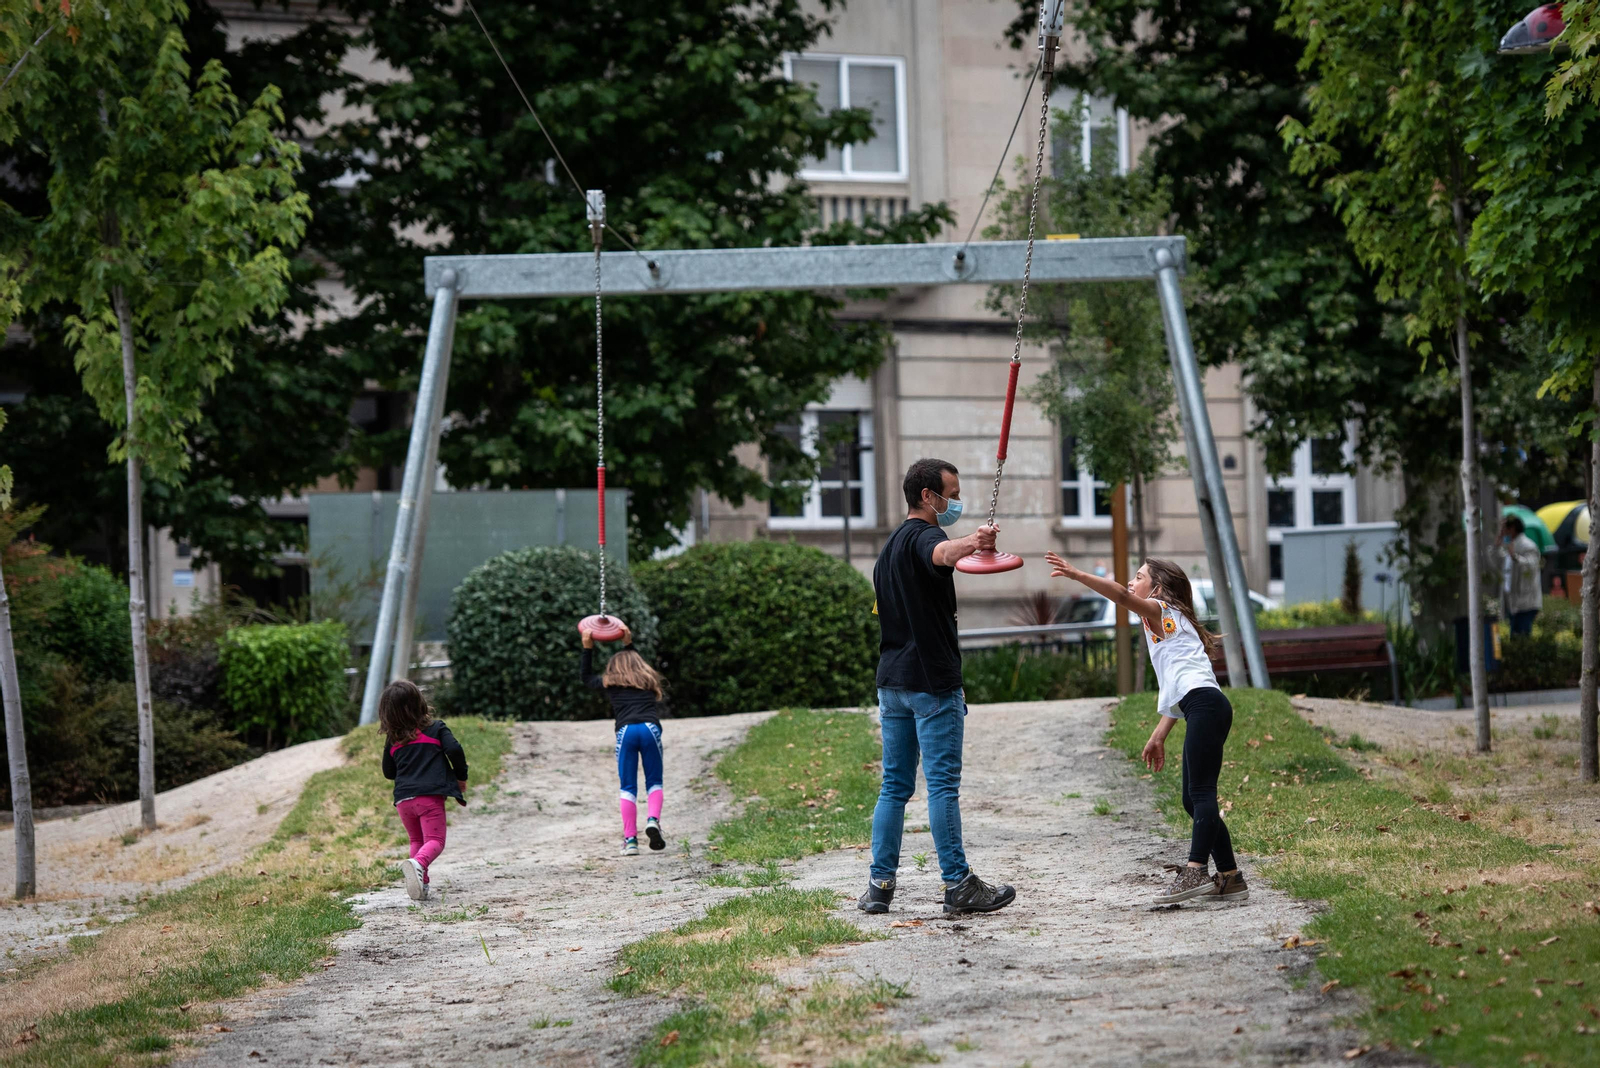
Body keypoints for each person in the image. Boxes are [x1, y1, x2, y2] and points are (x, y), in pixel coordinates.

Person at [859, 457, 1016, 917]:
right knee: (943, 787)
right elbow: (943, 554)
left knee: (894, 787)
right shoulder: (925, 537)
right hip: (932, 683)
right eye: (952, 494)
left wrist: (966, 544)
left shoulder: (889, 547)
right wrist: (974, 542)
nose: (957, 502)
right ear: (927, 496)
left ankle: (879, 887)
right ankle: (958, 884)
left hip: (892, 682)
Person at [1045, 551, 1249, 906]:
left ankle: (1195, 870)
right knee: (1191, 799)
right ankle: (1229, 876)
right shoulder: (1166, 623)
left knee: (1202, 793)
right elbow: (1181, 687)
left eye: (1139, 577)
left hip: (1206, 705)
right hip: (1202, 705)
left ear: (1158, 588)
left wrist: (1078, 575)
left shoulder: (1162, 611)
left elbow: (1121, 597)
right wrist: (1158, 735)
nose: (1131, 582)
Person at [581, 621, 667, 856]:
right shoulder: (648, 679)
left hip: (626, 731)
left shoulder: (610, 682)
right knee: (654, 782)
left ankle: (630, 841)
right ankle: (653, 820)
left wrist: (587, 647)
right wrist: (629, 644)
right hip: (650, 729)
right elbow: (635, 662)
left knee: (628, 787)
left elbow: (586, 677)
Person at [379, 679, 469, 902]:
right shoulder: (436, 729)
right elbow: (454, 749)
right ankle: (418, 864)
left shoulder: (393, 740)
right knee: (435, 841)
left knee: (416, 842)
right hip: (428, 798)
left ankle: (421, 886)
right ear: (419, 703)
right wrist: (461, 777)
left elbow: (388, 772)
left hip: (403, 801)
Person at [1499, 515, 1543, 637]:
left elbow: (1531, 566)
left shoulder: (1527, 545)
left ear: (1512, 528)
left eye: (1504, 528)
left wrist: (1515, 557)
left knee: (1521, 637)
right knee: (1515, 637)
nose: (1502, 532)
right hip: (1513, 602)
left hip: (1526, 602)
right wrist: (1496, 546)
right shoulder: (1508, 546)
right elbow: (1496, 565)